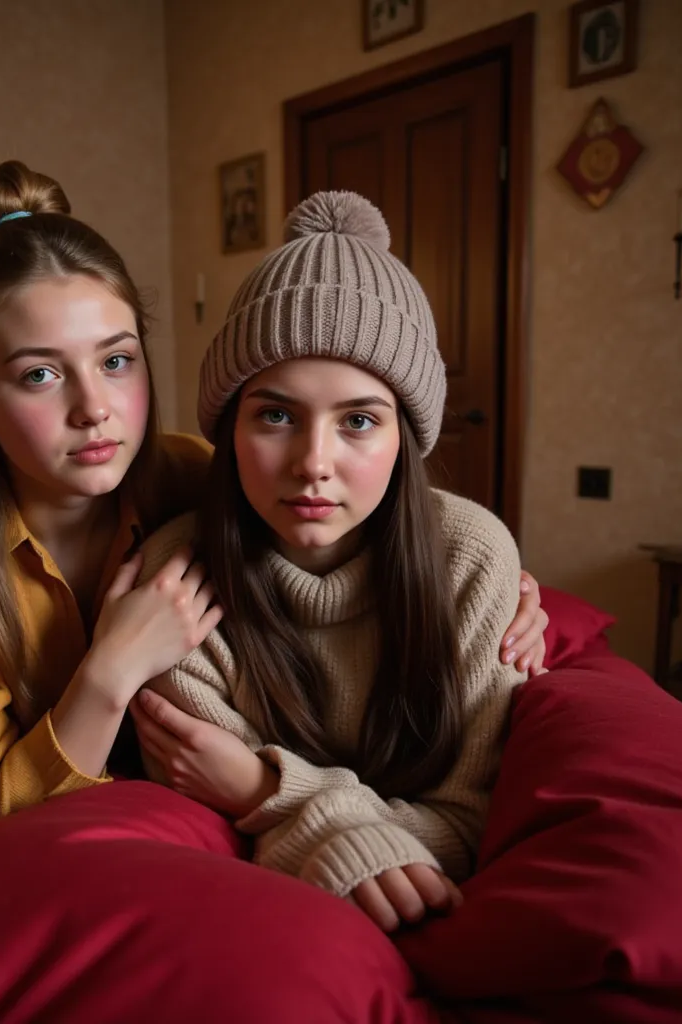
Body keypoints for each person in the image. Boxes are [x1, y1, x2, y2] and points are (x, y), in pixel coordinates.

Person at [0, 167, 547, 847]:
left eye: (116, 361)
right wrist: (108, 669)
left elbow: (353, 523)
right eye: (40, 374)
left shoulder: (189, 474)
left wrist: (504, 588)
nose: (95, 409)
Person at [130, 191, 534, 933]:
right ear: (230, 425)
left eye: (358, 421)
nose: (313, 464)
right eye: (276, 415)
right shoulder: (174, 581)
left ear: (405, 438)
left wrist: (263, 790)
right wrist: (336, 825)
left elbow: (471, 821)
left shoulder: (471, 557)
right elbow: (199, 805)